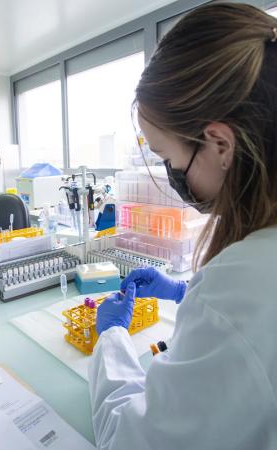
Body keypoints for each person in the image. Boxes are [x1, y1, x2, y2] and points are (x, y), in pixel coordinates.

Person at [89, 4, 277, 450]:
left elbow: (132, 440)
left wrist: (111, 339)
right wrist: (185, 292)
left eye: (168, 158)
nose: (171, 175)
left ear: (220, 144)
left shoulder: (241, 287)